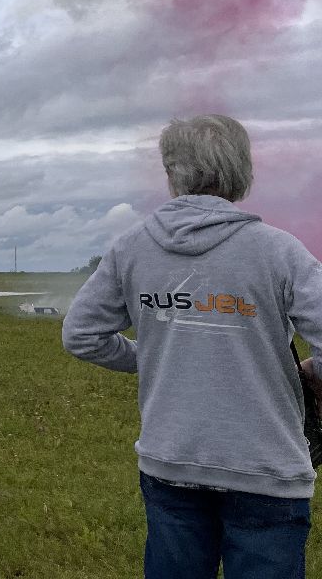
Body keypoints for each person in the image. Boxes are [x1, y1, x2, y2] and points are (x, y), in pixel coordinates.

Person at [63, 115, 322, 578]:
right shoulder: (279, 251)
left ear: (171, 173)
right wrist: (312, 371)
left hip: (170, 460)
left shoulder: (131, 247)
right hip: (266, 468)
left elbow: (82, 335)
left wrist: (157, 359)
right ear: (242, 171)